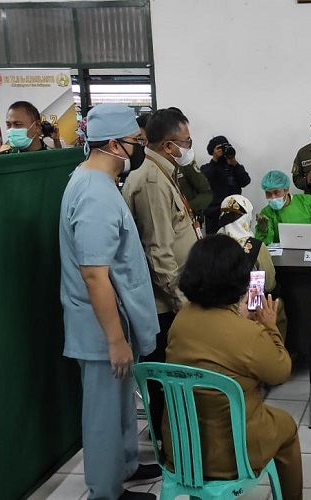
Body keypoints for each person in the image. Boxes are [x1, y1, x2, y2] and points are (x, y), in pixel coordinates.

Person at [58, 104, 161, 500]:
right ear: (115, 144)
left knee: (120, 404)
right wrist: (115, 340)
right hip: (101, 328)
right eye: (137, 142)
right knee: (103, 412)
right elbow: (93, 274)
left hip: (115, 321)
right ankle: (106, 492)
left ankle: (126, 467)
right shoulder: (93, 194)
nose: (140, 150)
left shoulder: (99, 185)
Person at [164, 234, 302, 500]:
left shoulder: (180, 322)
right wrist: (269, 326)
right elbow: (281, 371)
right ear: (239, 278)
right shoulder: (248, 334)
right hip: (231, 455)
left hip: (181, 450)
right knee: (286, 425)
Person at [121, 108, 201, 441]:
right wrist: (181, 300)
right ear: (169, 146)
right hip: (163, 304)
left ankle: (175, 438)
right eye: (187, 142)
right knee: (163, 378)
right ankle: (168, 447)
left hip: (172, 299)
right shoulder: (152, 181)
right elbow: (159, 252)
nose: (189, 148)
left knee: (174, 376)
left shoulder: (163, 172)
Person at [218, 194, 288, 338]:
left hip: (216, 307)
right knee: (277, 304)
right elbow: (269, 284)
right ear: (247, 217)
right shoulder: (255, 247)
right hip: (249, 309)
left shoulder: (211, 243)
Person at [254, 170, 311, 245]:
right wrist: (263, 231)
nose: (273, 197)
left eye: (276, 192)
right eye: (268, 194)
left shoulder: (307, 201)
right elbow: (265, 244)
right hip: (283, 253)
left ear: (286, 190)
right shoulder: (266, 212)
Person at [201, 135, 251, 235]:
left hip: (234, 214)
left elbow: (245, 181)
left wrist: (235, 163)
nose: (223, 151)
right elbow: (203, 182)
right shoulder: (207, 168)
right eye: (219, 148)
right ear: (212, 151)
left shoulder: (234, 168)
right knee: (214, 246)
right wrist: (215, 160)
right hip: (214, 215)